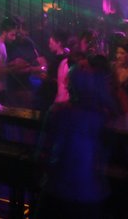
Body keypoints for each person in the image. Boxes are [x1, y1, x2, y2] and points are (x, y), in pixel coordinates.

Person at [35, 65, 111, 219]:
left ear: (71, 85)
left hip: (59, 190)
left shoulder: (59, 112)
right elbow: (103, 158)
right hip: (91, 193)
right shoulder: (103, 116)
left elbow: (44, 153)